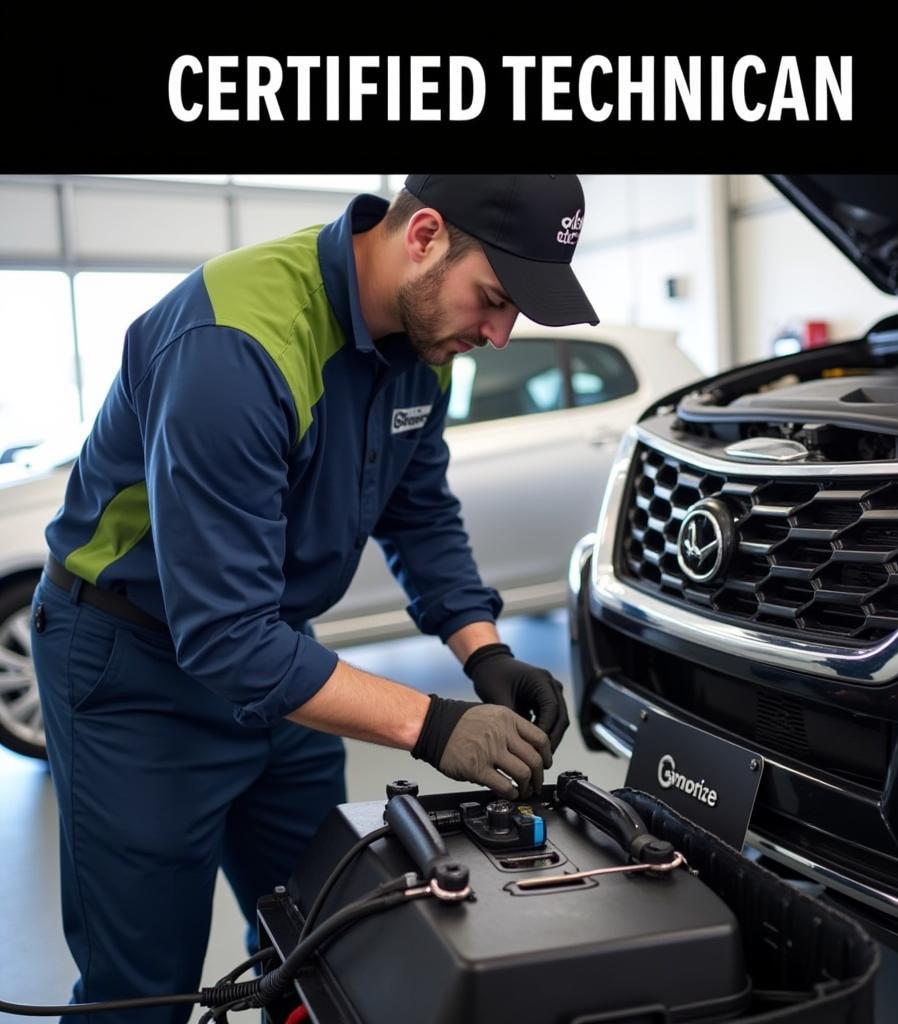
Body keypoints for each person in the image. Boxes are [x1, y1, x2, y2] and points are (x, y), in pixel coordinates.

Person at [30, 173, 599, 1023]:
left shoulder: (422, 344)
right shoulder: (238, 344)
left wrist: (485, 652)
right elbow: (221, 635)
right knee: (143, 990)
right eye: (494, 298)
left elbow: (419, 512)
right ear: (425, 236)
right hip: (134, 671)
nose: (500, 333)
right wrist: (433, 725)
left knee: (330, 940)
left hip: (279, 660)